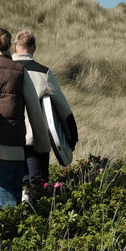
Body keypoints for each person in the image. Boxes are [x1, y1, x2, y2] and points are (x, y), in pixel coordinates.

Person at [0, 28, 49, 208]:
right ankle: (10, 232)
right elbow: (35, 111)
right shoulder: (19, 70)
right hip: (11, 146)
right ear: (9, 46)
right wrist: (42, 145)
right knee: (10, 203)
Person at [12, 29, 77, 199]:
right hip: (36, 138)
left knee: (16, 185)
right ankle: (39, 219)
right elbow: (63, 107)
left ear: (14, 47)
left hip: (8, 138)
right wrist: (71, 137)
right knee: (38, 186)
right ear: (34, 48)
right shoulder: (43, 72)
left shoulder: (5, 69)